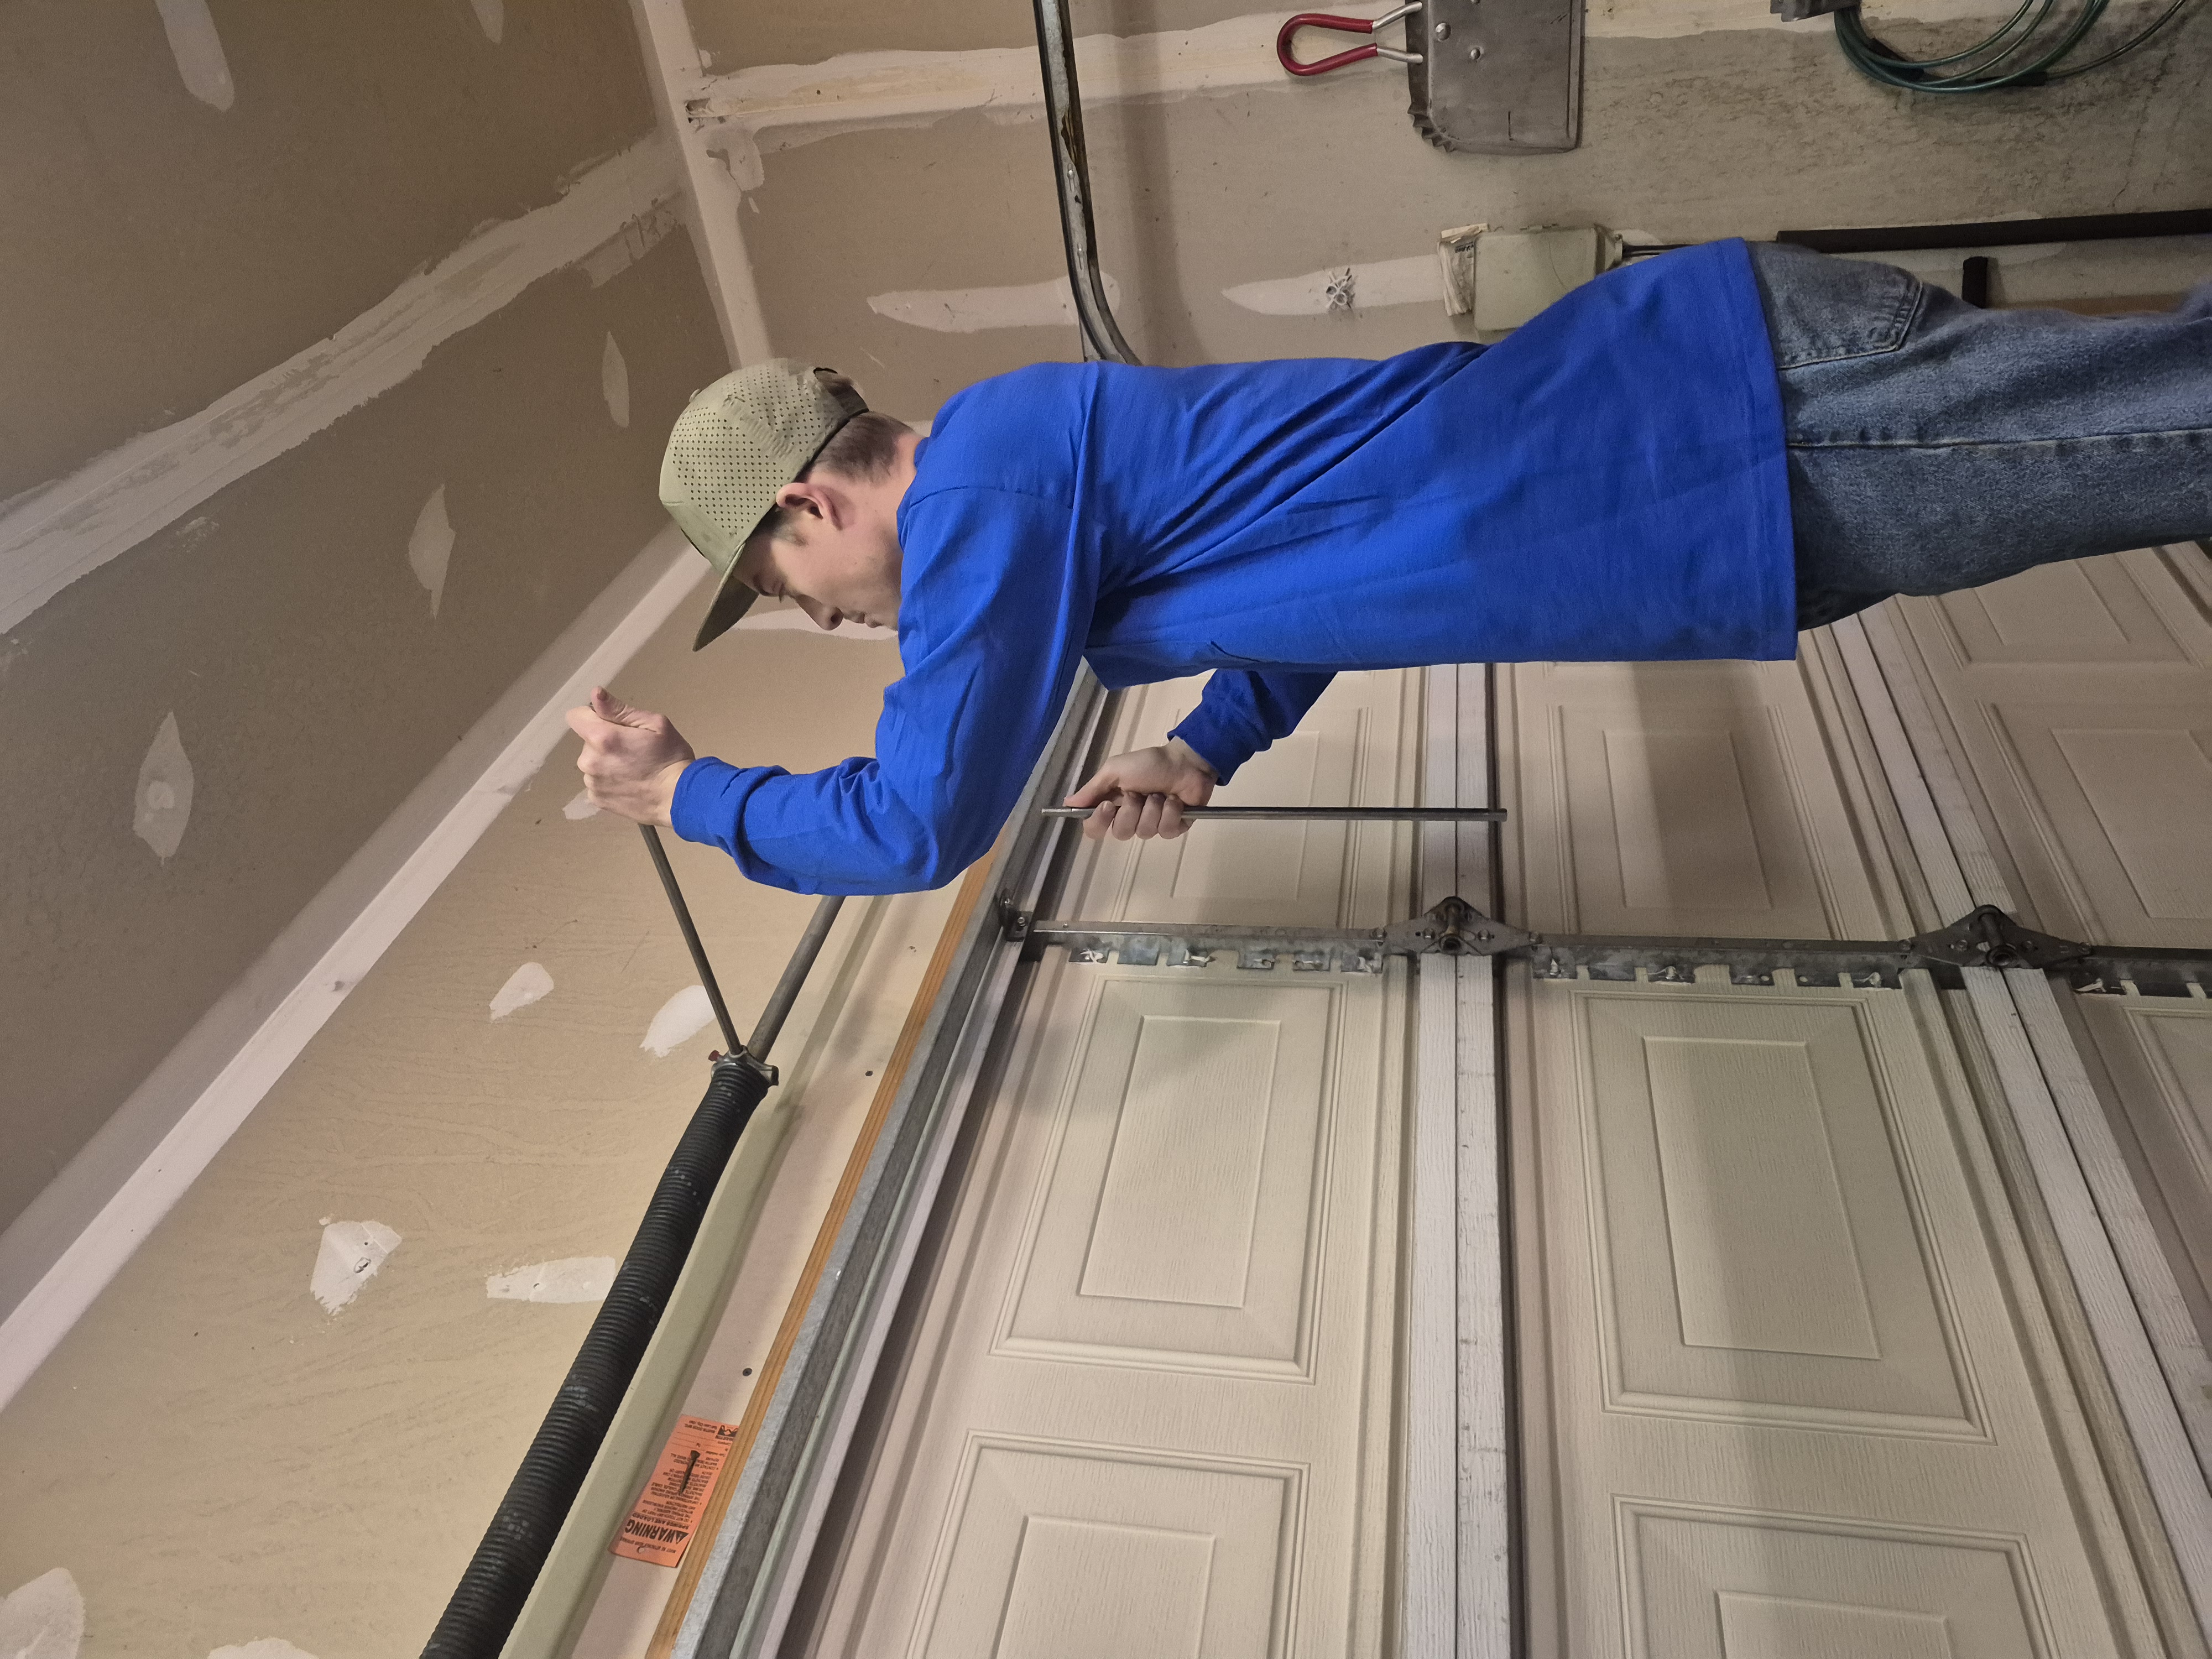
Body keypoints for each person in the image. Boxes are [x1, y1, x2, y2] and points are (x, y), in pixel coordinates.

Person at [567, 238, 2210, 895]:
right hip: (1724, 479)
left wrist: (691, 794)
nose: (844, 624)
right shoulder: (1037, 490)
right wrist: (1205, 745)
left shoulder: (988, 484)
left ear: (811, 509)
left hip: (1728, 437)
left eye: (798, 597)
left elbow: (923, 818)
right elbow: (1326, 573)